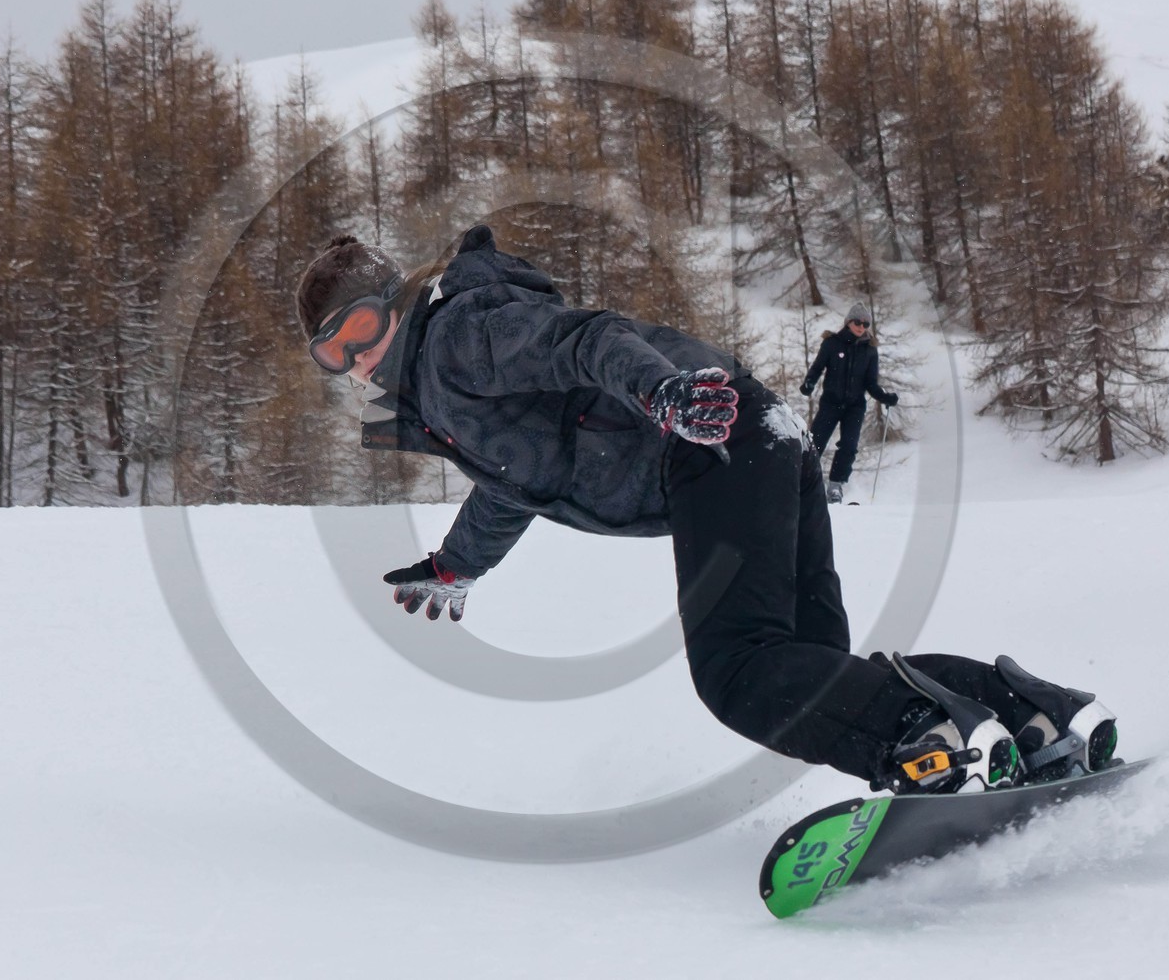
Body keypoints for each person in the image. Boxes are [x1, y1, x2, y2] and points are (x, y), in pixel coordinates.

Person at [296, 225, 1119, 794]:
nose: (358, 357)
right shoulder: (442, 396)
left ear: (394, 302)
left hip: (709, 441)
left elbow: (583, 338)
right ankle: (1034, 722)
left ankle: (936, 747)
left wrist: (662, 393)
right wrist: (457, 563)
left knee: (742, 674)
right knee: (805, 674)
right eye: (332, 353)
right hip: (760, 437)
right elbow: (517, 479)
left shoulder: (457, 335)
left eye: (360, 327)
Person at [800, 302, 899, 504]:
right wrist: (809, 383)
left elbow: (871, 384)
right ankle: (803, 483)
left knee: (849, 446)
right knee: (815, 443)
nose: (861, 327)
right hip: (831, 403)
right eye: (857, 322)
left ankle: (835, 487)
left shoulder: (870, 350)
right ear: (848, 322)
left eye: (865, 323)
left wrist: (885, 397)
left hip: (854, 406)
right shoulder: (831, 343)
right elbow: (818, 368)